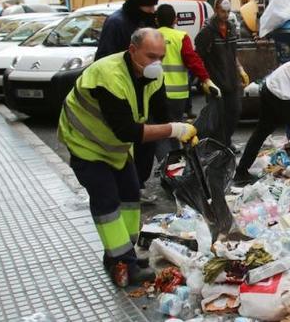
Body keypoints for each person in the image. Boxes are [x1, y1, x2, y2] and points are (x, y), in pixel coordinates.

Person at [58, 28, 198, 287]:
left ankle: (122, 254)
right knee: (107, 201)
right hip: (86, 142)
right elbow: (129, 131)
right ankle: (124, 264)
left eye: (160, 56)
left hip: (115, 148)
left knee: (131, 195)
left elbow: (160, 112)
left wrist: (182, 131)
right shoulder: (108, 76)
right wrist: (174, 129)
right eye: (150, 56)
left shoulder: (153, 76)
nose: (156, 63)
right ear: (132, 50)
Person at [95, 0, 161, 192]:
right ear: (137, 3)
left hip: (144, 93)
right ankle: (125, 185)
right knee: (127, 141)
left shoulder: (148, 22)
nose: (152, 10)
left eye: (154, 6)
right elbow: (105, 61)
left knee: (146, 144)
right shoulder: (116, 23)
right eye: (148, 6)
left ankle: (137, 184)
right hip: (122, 93)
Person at [154, 3, 220, 163]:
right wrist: (206, 80)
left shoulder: (149, 36)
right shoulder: (181, 37)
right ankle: (176, 165)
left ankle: (168, 165)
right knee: (175, 131)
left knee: (160, 131)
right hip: (178, 95)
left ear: (156, 20)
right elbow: (193, 61)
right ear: (175, 20)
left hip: (155, 94)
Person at [194, 0, 249, 149]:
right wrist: (204, 80)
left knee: (235, 111)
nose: (225, 15)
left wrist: (240, 69)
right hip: (216, 81)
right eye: (222, 11)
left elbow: (233, 54)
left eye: (228, 11)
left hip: (231, 79)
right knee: (217, 116)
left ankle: (225, 141)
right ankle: (213, 144)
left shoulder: (231, 28)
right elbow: (198, 57)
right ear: (216, 10)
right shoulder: (207, 32)